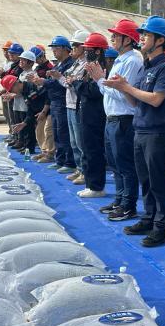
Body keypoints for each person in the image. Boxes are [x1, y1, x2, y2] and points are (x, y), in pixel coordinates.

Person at [102, 16, 165, 247]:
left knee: (159, 182)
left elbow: (156, 100)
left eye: (146, 35)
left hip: (157, 133)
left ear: (160, 40)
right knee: (145, 180)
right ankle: (148, 218)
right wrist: (124, 89)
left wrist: (126, 87)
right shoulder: (147, 66)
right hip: (141, 130)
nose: (141, 38)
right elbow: (135, 103)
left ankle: (161, 227)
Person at [92, 19, 143, 222]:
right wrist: (102, 82)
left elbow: (123, 93)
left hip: (124, 118)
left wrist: (100, 80)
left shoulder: (132, 61)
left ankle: (128, 205)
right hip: (113, 118)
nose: (112, 38)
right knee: (115, 163)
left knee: (125, 164)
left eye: (116, 35)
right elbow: (110, 89)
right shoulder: (122, 60)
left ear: (128, 39)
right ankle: (120, 200)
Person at [33, 36, 76, 172]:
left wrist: (44, 82)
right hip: (55, 102)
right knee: (57, 133)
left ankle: (69, 162)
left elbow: (62, 83)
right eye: (53, 48)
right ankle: (60, 160)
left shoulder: (70, 64)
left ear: (65, 49)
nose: (54, 51)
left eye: (56, 48)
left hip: (63, 102)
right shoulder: (59, 64)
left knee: (64, 134)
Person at [75, 33, 109, 199]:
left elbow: (94, 91)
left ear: (97, 51)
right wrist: (79, 85)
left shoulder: (101, 68)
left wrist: (77, 85)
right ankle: (90, 184)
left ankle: (96, 186)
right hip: (86, 113)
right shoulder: (90, 66)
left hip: (95, 115)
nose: (86, 52)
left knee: (94, 151)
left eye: (89, 49)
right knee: (87, 150)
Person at [61, 30, 90, 185]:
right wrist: (64, 79)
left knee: (80, 141)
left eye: (76, 45)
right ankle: (79, 168)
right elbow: (67, 81)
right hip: (70, 103)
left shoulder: (87, 64)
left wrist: (70, 81)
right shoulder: (76, 63)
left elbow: (77, 83)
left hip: (78, 105)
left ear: (84, 47)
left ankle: (85, 171)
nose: (73, 48)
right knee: (73, 141)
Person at [0, 74, 46, 146]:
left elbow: (47, 100)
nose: (12, 92)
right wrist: (24, 123)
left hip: (48, 112)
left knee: (45, 135)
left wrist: (43, 112)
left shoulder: (31, 87)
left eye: (11, 90)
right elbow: (31, 109)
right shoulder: (24, 91)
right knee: (38, 134)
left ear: (16, 84)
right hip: (40, 114)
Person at [30, 46, 55, 163]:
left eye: (36, 58)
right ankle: (44, 151)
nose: (35, 61)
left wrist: (45, 109)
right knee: (39, 129)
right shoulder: (37, 68)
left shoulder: (50, 68)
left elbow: (49, 90)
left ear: (42, 56)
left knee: (48, 130)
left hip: (49, 102)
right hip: (41, 102)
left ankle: (50, 153)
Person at [14, 50, 38, 153]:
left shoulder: (32, 75)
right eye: (21, 60)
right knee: (21, 125)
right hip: (19, 104)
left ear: (31, 62)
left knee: (28, 127)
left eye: (24, 60)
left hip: (28, 105)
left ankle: (29, 147)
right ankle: (22, 142)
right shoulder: (22, 73)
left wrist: (13, 94)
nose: (21, 62)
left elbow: (26, 90)